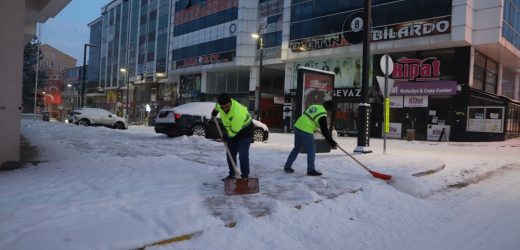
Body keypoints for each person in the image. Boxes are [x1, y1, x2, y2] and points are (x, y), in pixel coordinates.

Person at [284, 100, 337, 176]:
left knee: (296, 148)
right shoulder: (322, 114)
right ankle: (311, 170)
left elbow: (309, 118)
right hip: (306, 130)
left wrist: (314, 128)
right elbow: (324, 130)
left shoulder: (315, 106)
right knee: (311, 150)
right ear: (329, 108)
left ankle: (287, 166)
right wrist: (332, 142)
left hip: (298, 127)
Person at [211, 93, 254, 181]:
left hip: (245, 130)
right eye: (223, 107)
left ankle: (245, 176)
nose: (225, 109)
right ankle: (232, 174)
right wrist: (215, 111)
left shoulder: (237, 113)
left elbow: (234, 131)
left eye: (227, 106)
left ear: (230, 102)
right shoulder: (220, 105)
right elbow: (217, 106)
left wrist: (227, 137)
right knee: (230, 153)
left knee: (243, 154)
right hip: (233, 129)